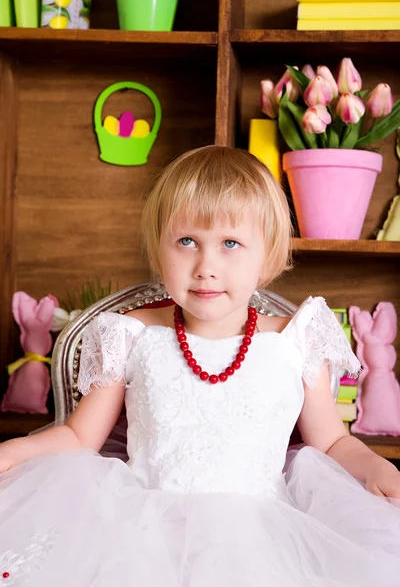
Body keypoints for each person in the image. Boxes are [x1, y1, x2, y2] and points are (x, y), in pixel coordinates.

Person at [0, 145, 399, 587]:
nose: (206, 267)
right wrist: (12, 452)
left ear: (266, 253)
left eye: (230, 243)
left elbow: (331, 444)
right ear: (159, 247)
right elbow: (79, 436)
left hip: (261, 541)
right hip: (141, 537)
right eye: (187, 241)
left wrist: (376, 467)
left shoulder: (295, 337)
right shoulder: (130, 333)